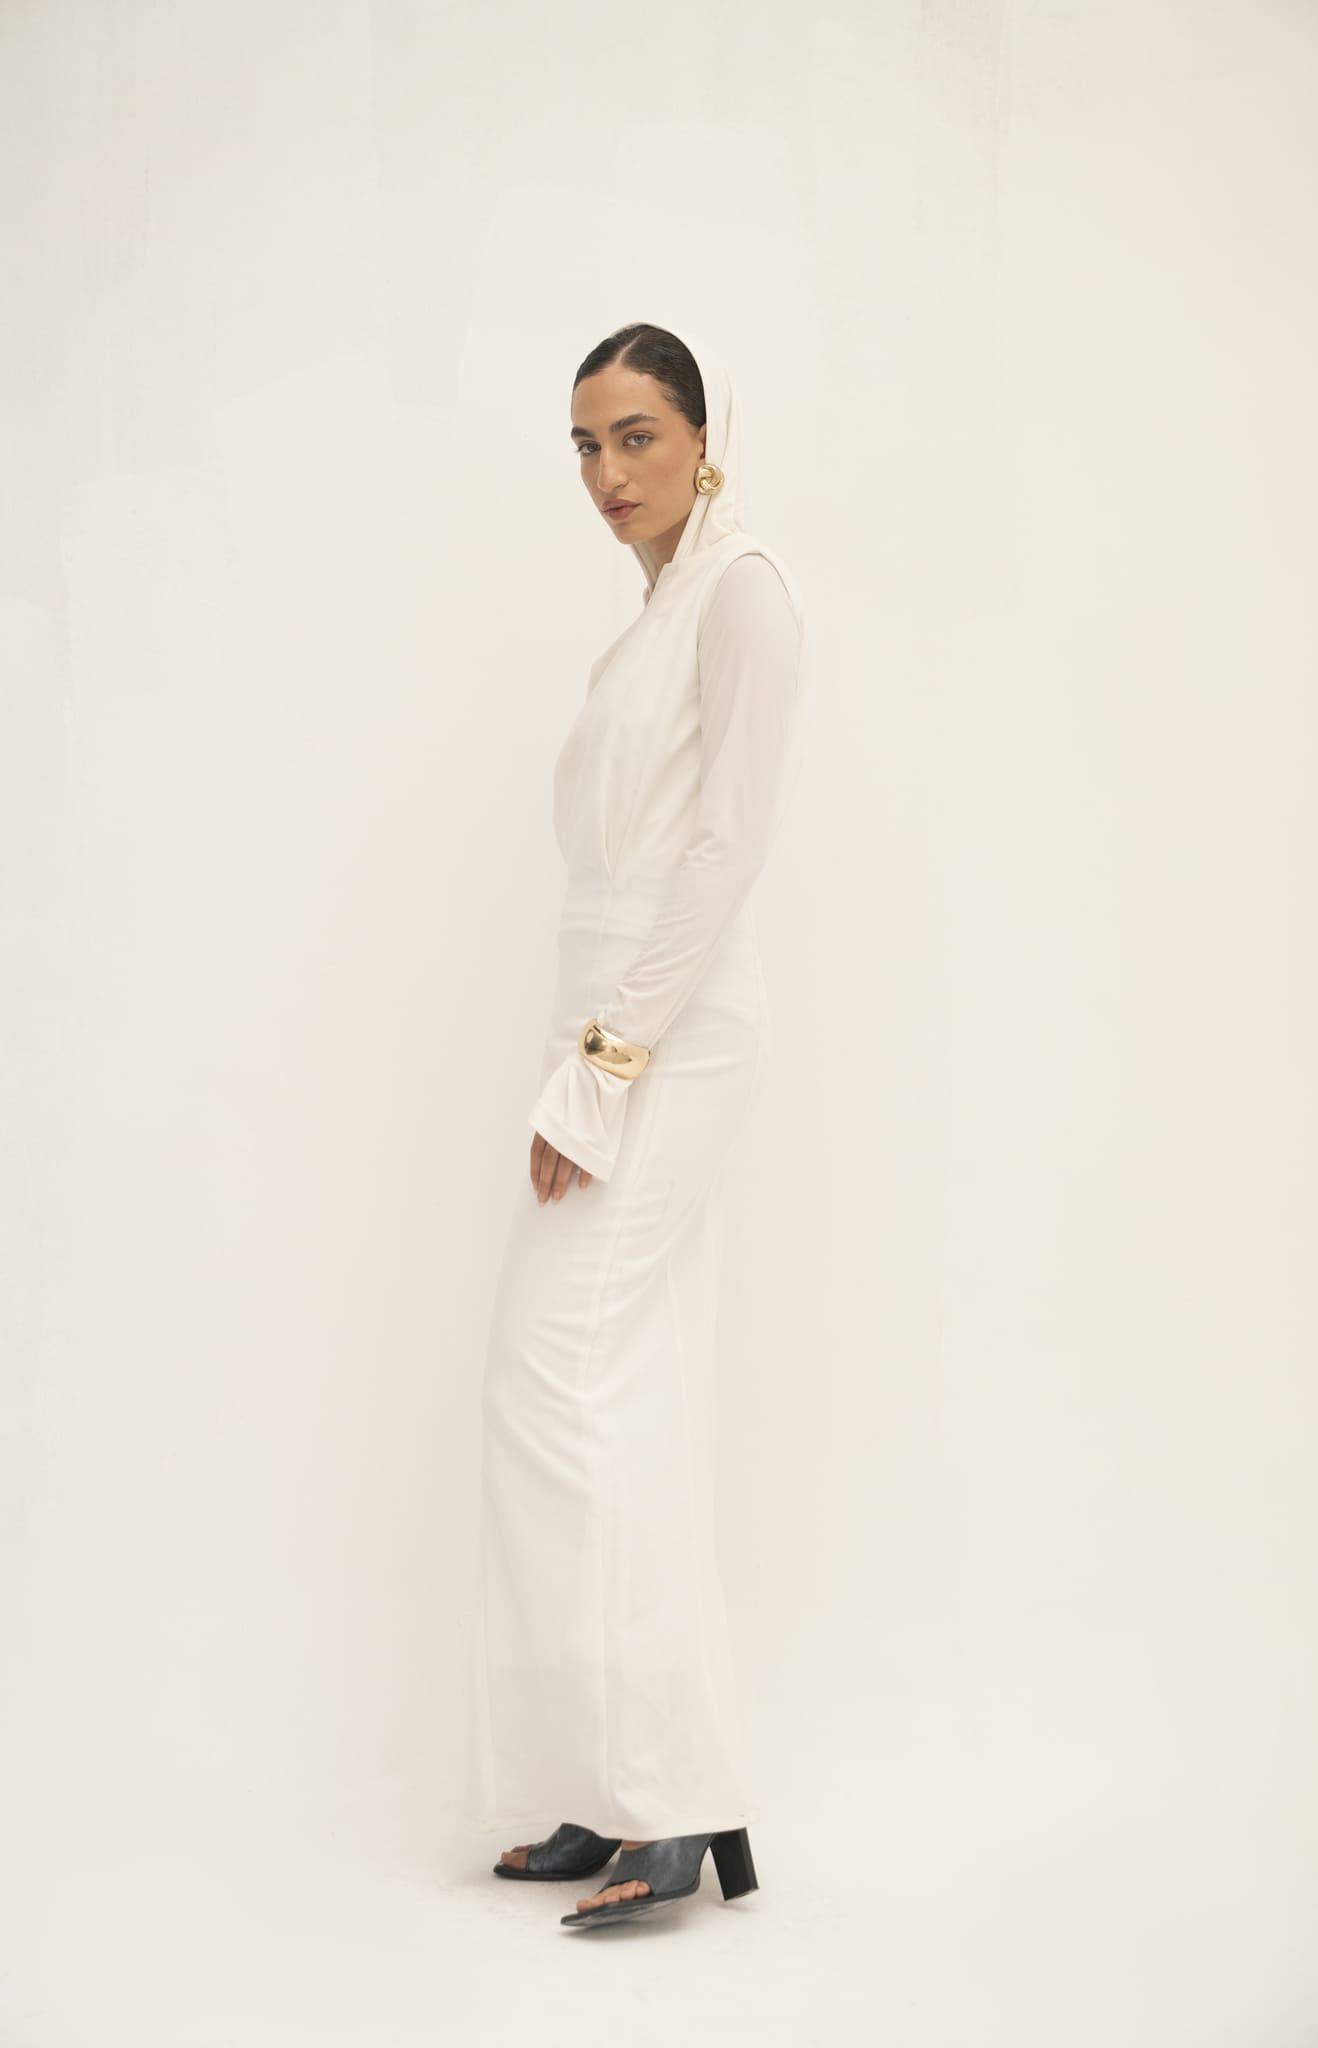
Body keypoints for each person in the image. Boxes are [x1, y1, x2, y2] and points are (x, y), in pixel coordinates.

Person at [466, 319, 812, 1931]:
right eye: (588, 445)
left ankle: (662, 1797)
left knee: (556, 1378)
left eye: (639, 437)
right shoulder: (660, 609)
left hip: (666, 1030)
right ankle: (646, 1799)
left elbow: (724, 851)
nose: (610, 473)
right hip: (605, 1013)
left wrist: (600, 1071)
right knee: (622, 1393)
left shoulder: (742, 591)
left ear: (703, 434)